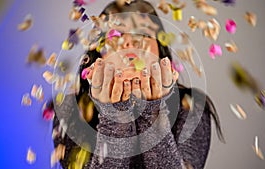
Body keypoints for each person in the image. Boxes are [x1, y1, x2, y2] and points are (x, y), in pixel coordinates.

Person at [52, 0, 224, 169]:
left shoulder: (191, 105)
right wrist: (115, 113)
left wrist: (152, 112)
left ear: (160, 52)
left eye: (142, 33)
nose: (130, 42)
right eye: (117, 34)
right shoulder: (71, 109)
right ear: (99, 55)